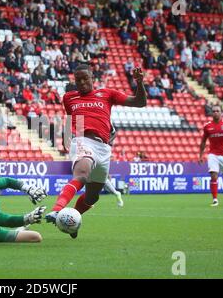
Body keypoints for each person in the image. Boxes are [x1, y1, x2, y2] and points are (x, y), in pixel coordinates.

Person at [45, 64, 147, 238]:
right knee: (82, 175)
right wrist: (66, 137)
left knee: (92, 197)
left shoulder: (107, 94)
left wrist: (139, 82)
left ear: (93, 78)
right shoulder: (69, 98)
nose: (82, 82)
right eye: (78, 80)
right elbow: (70, 118)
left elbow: (140, 102)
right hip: (82, 140)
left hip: (103, 148)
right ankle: (56, 211)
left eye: (85, 78)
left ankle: (71, 220)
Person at [199, 104, 223, 207]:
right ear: (211, 113)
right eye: (214, 111)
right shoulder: (207, 126)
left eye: (217, 111)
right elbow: (203, 142)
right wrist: (201, 155)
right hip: (213, 154)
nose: (215, 112)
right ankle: (215, 199)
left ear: (221, 113)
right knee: (213, 176)